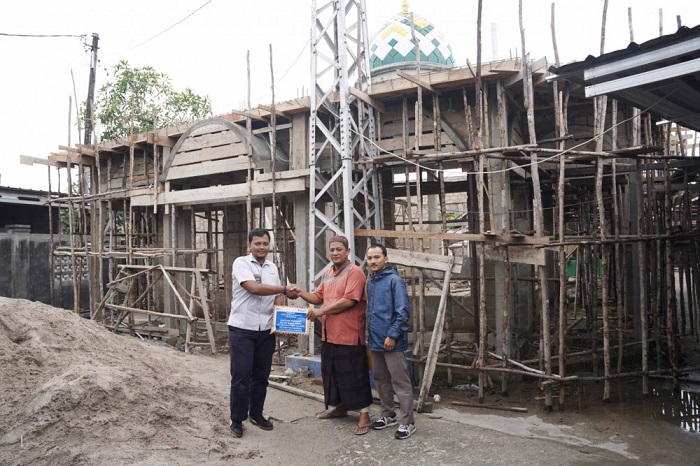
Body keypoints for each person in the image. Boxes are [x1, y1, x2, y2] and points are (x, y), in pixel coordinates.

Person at [289, 235, 373, 435]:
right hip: (329, 335)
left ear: (348, 251)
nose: (335, 253)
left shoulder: (355, 273)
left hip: (350, 335)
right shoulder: (327, 273)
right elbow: (318, 297)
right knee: (333, 375)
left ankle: (364, 415)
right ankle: (340, 408)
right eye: (332, 250)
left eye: (339, 249)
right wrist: (300, 292)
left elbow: (348, 301)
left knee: (355, 376)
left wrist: (320, 311)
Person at [228, 228, 298, 438]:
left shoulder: (272, 267)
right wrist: (284, 289)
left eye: (265, 244)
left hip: (265, 331)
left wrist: (279, 317)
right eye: (257, 243)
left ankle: (256, 414)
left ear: (269, 245)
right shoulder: (241, 263)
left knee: (261, 376)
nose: (261, 247)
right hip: (242, 328)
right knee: (241, 376)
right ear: (249, 245)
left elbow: (276, 295)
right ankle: (237, 420)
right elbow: (253, 288)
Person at [366, 243, 416, 439]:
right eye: (370, 258)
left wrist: (392, 335)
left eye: (377, 257)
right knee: (380, 379)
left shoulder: (395, 280)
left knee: (400, 382)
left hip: (391, 341)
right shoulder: (371, 281)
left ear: (386, 259)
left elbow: (403, 312)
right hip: (375, 340)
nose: (373, 261)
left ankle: (408, 422)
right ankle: (388, 414)